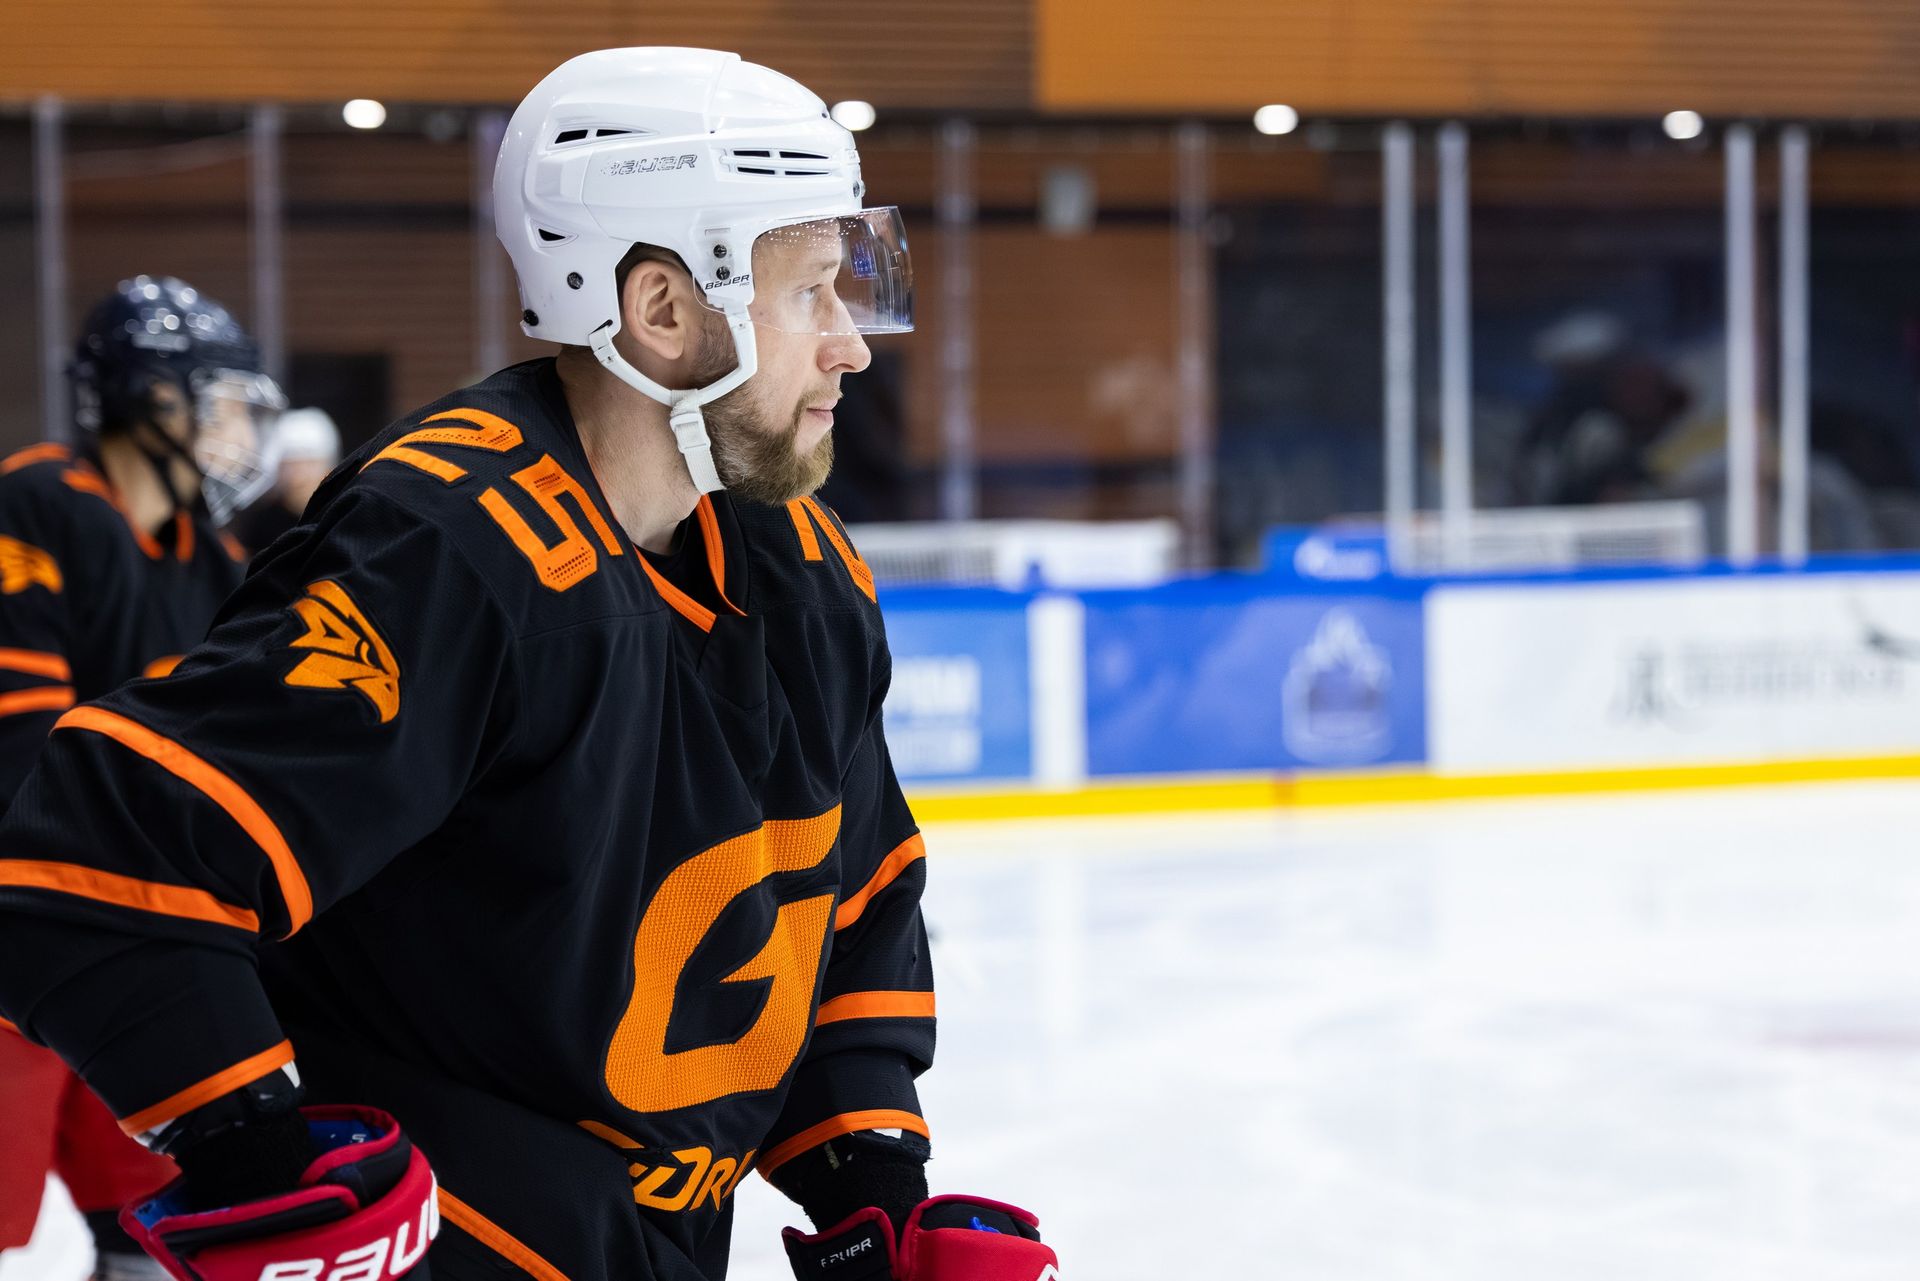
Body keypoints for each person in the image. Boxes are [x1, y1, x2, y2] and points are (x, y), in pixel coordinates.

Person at [0, 48, 1059, 1281]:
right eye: (811, 292)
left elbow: (852, 893)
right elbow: (104, 850)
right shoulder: (451, 547)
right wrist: (263, 1157)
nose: (851, 346)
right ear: (663, 310)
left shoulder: (803, 567)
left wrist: (867, 1197)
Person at [0, 275, 282, 1278]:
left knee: (155, 1212)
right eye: (225, 403)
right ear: (153, 400)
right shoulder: (38, 502)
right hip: (25, 910)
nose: (243, 433)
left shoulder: (210, 557)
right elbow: (19, 755)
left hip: (127, 920)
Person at [236, 407, 341, 552]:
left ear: (330, 468)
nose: (299, 476)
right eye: (290, 466)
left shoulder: (345, 516)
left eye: (309, 464)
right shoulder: (262, 524)